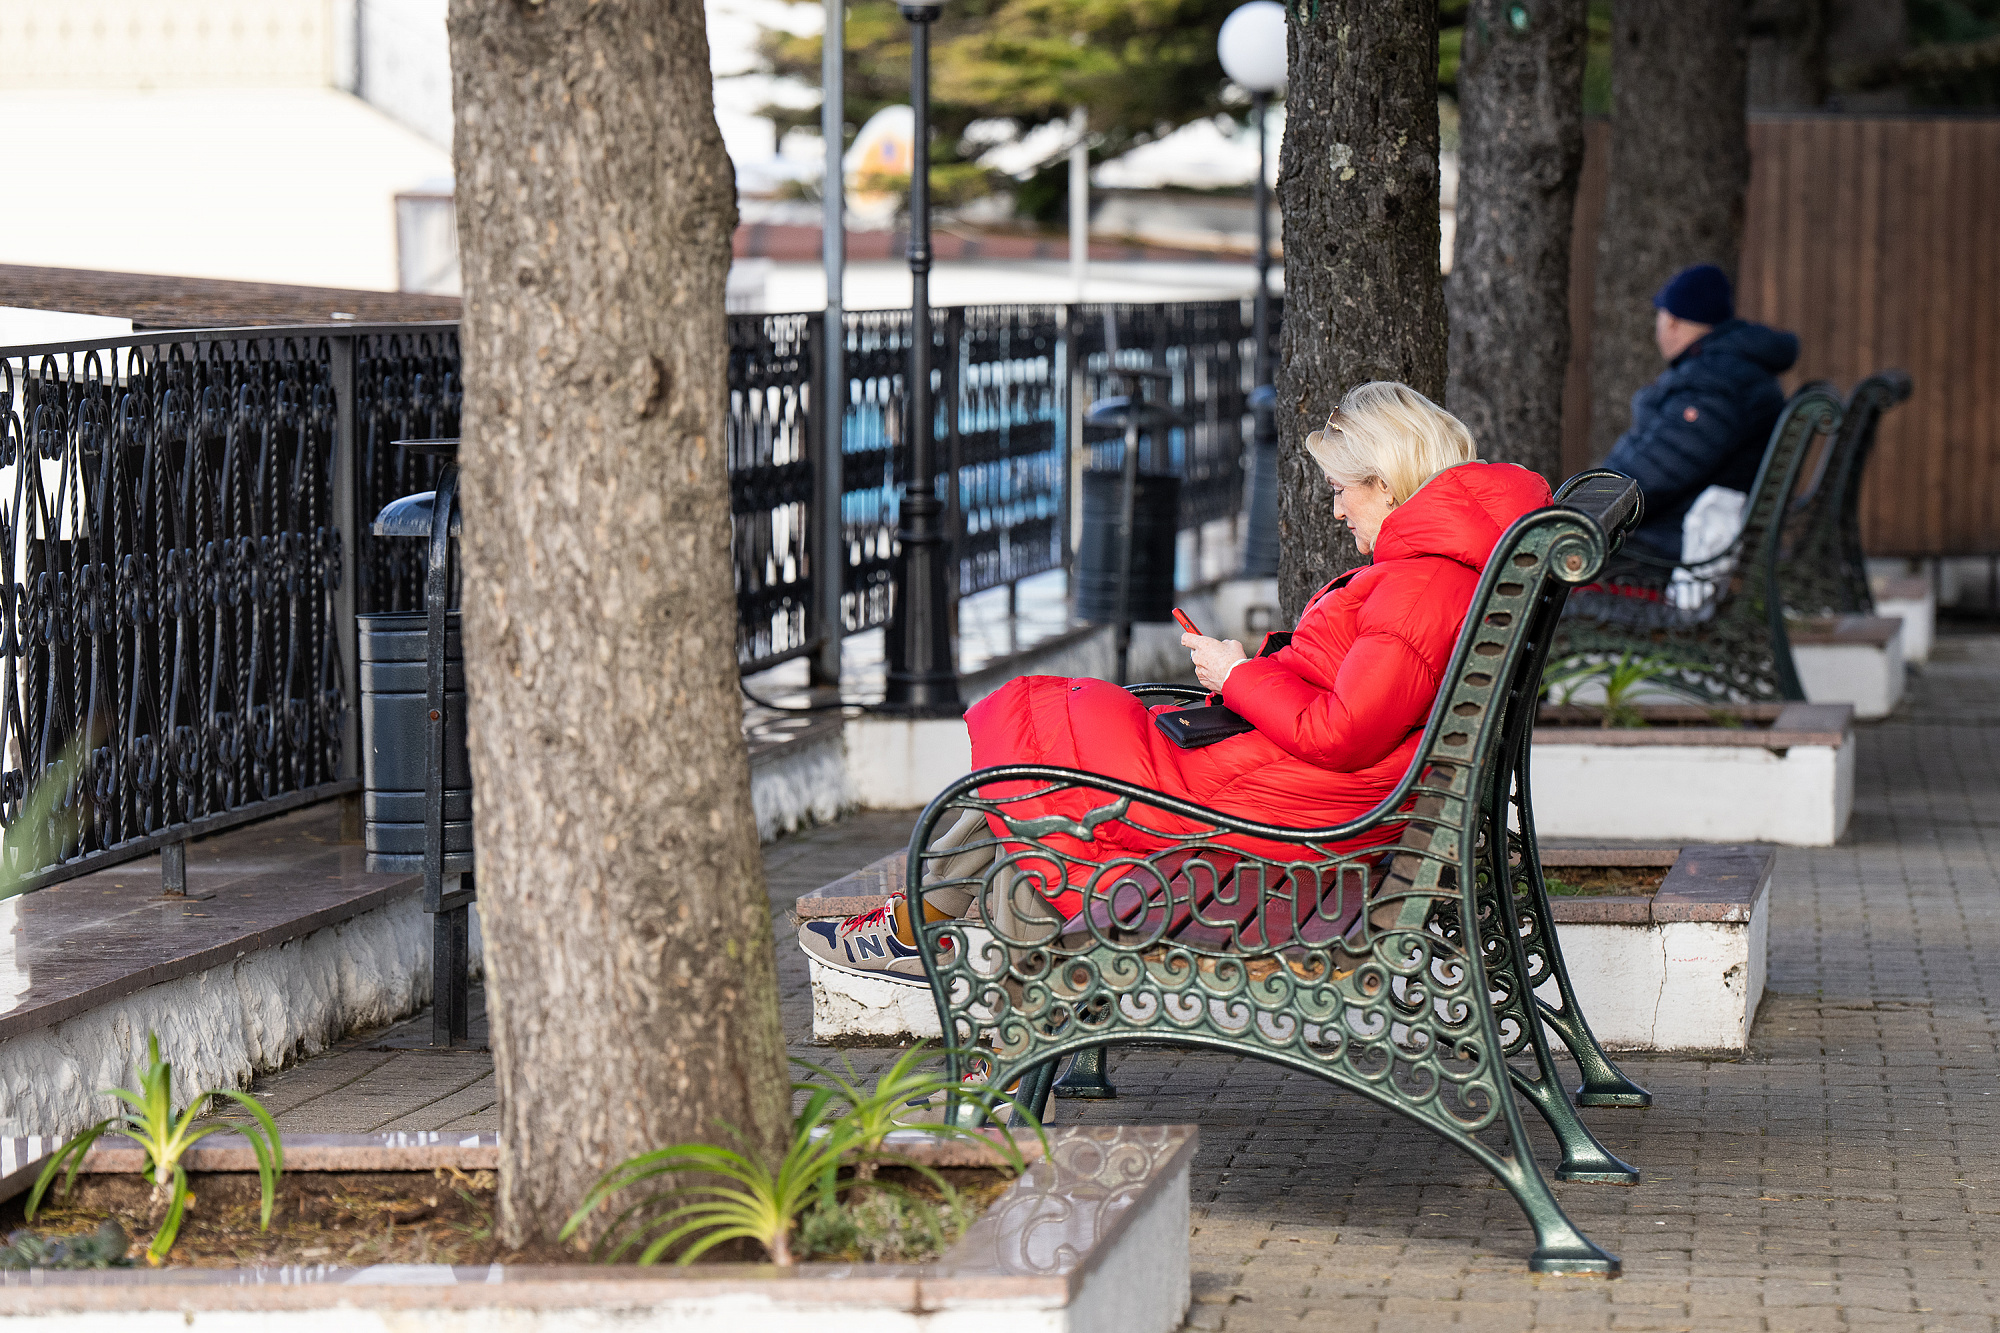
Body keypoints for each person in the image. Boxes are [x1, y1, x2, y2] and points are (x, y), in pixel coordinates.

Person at [798, 381, 1553, 983]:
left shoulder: (1419, 582)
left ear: (1384, 485)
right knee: (1050, 760)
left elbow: (1344, 729)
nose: (1334, 508)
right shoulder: (1437, 568)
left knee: (1041, 755)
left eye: (1341, 490)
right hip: (1290, 792)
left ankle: (924, 938)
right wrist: (1246, 671)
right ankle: (927, 934)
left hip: (1286, 817)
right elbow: (1351, 700)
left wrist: (1240, 675)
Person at [1601, 263, 1800, 564]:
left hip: (1676, 541)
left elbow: (1658, 473)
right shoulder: (1731, 371)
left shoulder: (1715, 382)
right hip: (1686, 528)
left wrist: (1587, 515)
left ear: (1672, 321)